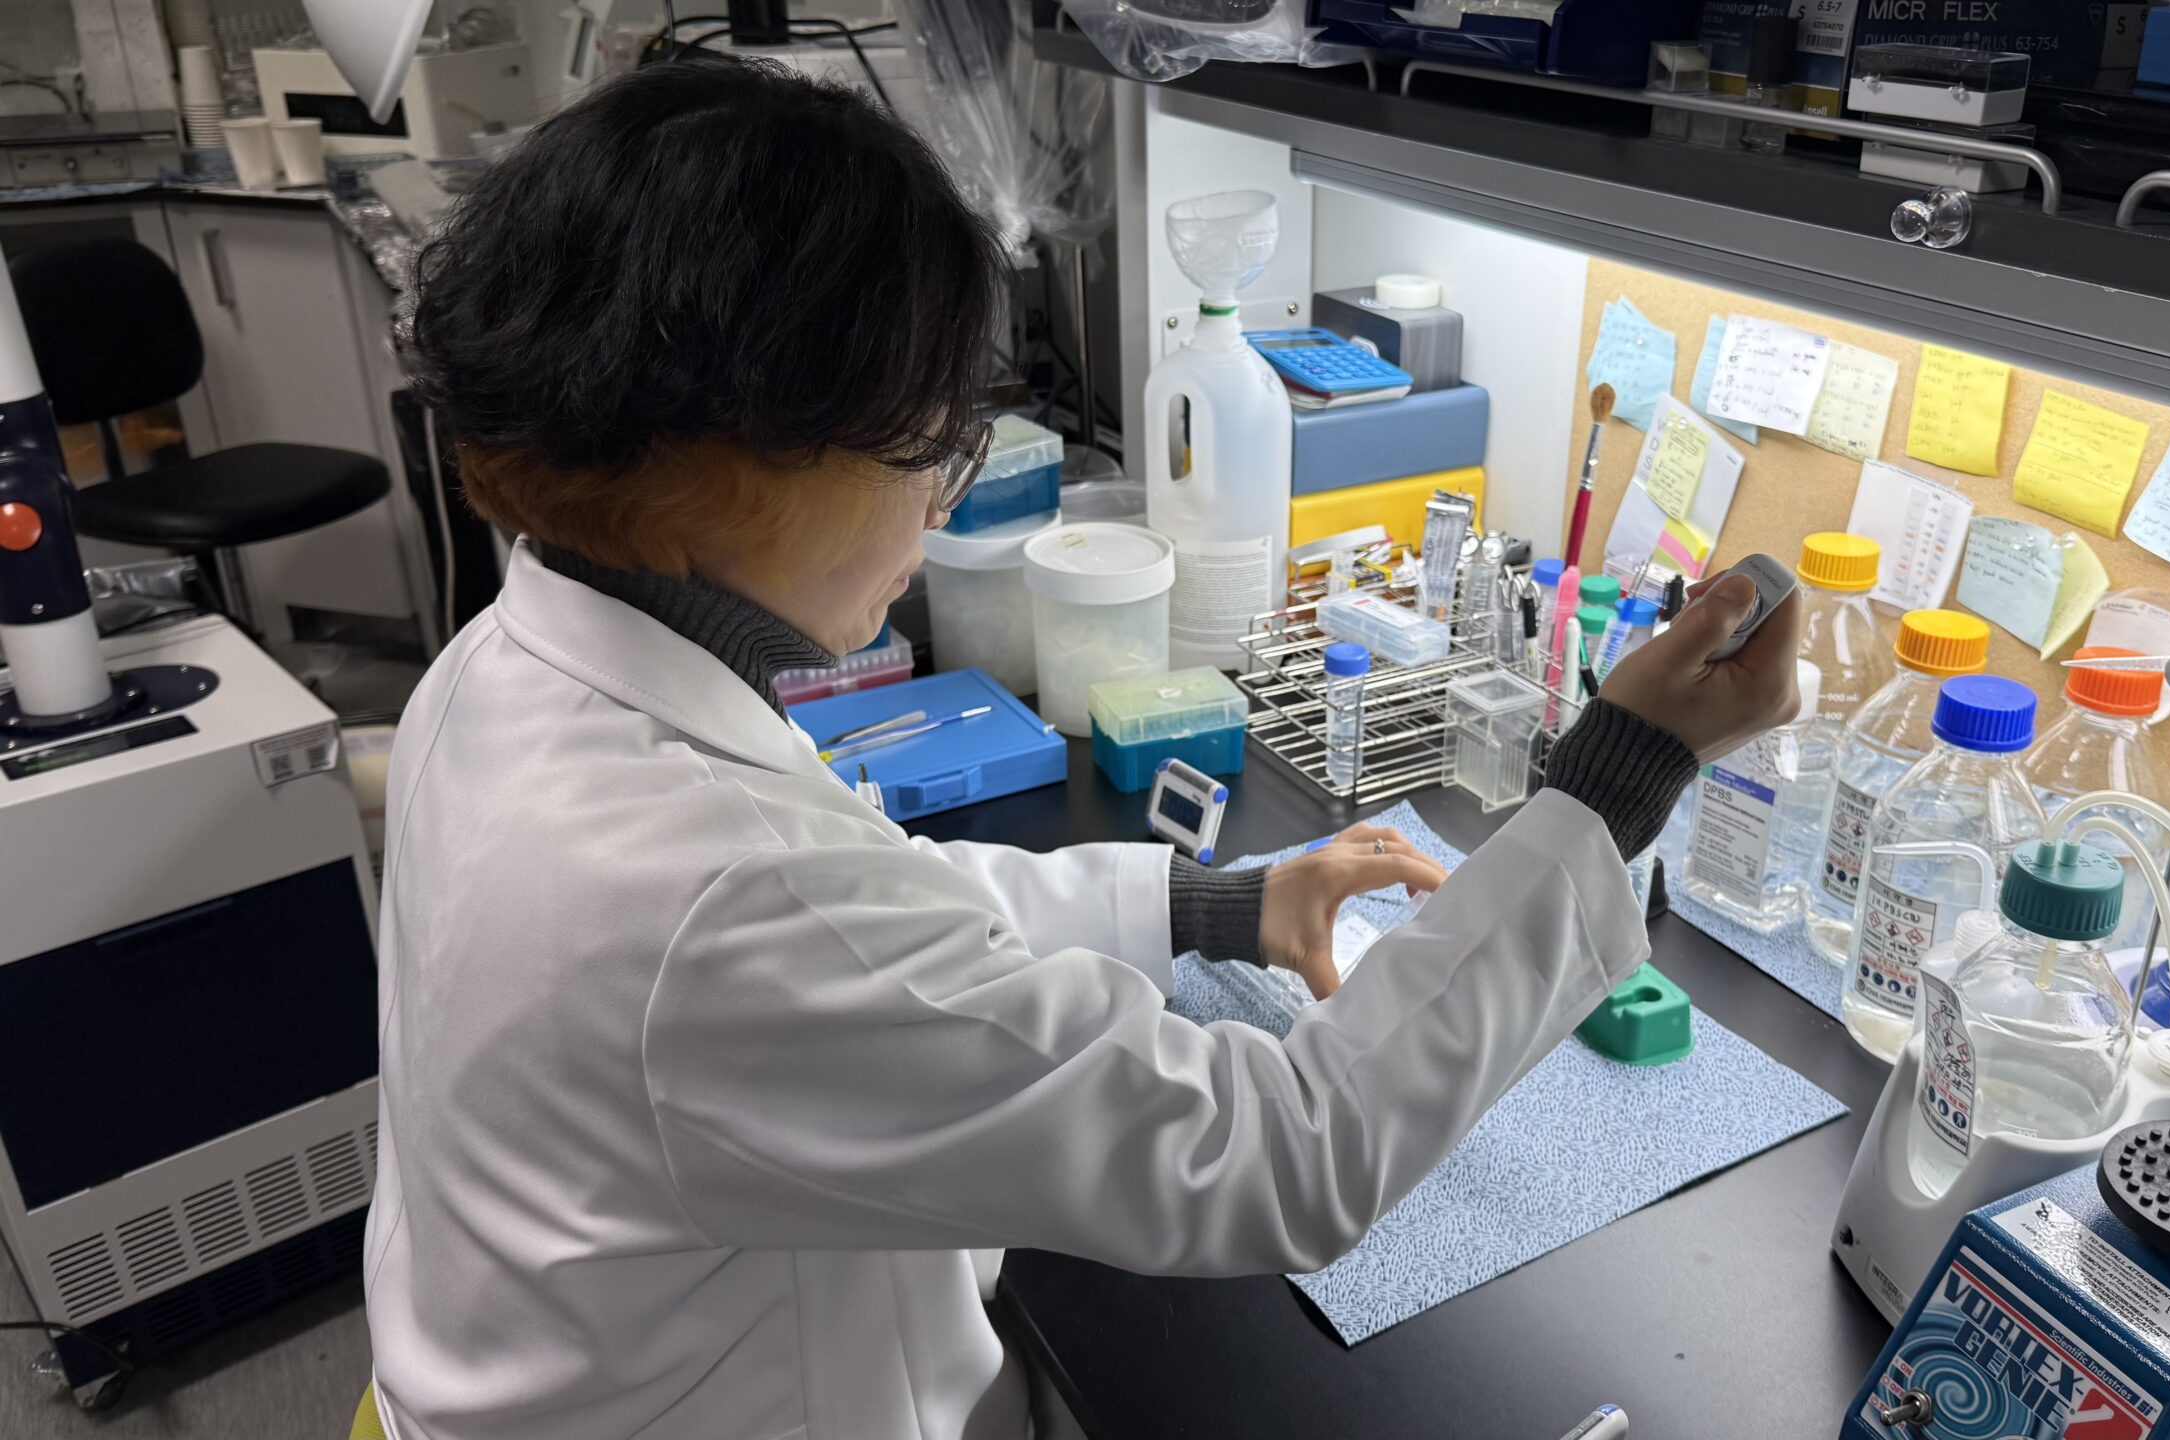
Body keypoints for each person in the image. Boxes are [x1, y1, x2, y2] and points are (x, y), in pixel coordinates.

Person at [365, 56, 1802, 1440]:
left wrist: (1214, 904)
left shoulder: (506, 670)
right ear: (730, 459)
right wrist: (1620, 776)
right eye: (927, 446)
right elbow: (1281, 1152)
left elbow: (877, 919)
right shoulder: (706, 897)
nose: (943, 501)